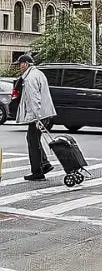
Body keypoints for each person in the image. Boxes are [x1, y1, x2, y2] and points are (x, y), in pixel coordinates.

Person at [14, 54, 56, 182]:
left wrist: (37, 118)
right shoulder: (38, 73)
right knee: (34, 140)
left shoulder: (30, 78)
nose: (20, 67)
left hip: (39, 115)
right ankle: (44, 164)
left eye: (20, 64)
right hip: (45, 113)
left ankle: (37, 172)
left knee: (33, 142)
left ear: (25, 64)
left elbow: (34, 99)